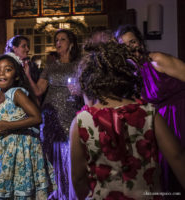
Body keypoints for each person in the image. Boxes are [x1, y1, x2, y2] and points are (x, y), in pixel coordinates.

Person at [70, 41, 185, 199]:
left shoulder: (81, 122)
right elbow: (177, 157)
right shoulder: (149, 114)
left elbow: (78, 178)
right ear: (126, 74)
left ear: (90, 80)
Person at [115, 24, 185, 197]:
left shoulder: (157, 60)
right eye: (125, 45)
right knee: (168, 173)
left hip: (181, 115)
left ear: (140, 42)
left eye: (133, 41)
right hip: (161, 124)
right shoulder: (130, 76)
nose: (131, 47)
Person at [0, 54, 56, 199]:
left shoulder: (17, 93)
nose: (2, 74)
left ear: (17, 75)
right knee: (8, 188)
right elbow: (5, 112)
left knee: (22, 188)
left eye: (8, 70)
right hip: (6, 148)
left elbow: (37, 117)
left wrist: (9, 126)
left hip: (22, 147)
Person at [26, 29, 82, 199]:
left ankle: (71, 194)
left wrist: (79, 91)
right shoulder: (50, 66)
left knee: (70, 157)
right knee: (51, 157)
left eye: (62, 39)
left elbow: (88, 90)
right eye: (56, 40)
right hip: (50, 116)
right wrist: (28, 74)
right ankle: (55, 193)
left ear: (71, 43)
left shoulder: (80, 65)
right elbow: (38, 91)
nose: (58, 43)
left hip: (71, 113)